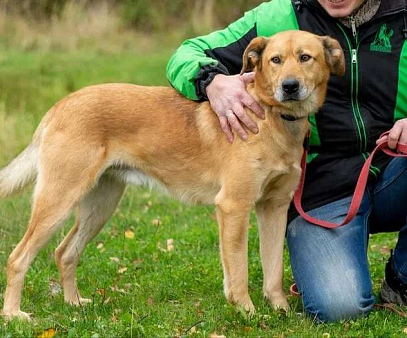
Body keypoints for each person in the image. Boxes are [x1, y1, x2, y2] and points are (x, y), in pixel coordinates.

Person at [166, 0, 407, 323]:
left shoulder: (402, 14)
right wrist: (211, 81)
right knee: (339, 306)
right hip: (322, 194)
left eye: (305, 59)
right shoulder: (277, 17)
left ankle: (401, 278)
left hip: (392, 173)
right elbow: (187, 53)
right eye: (279, 61)